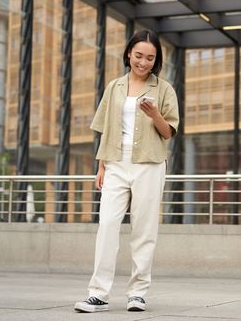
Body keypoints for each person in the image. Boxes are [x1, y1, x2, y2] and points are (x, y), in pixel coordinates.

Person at [74, 29, 179, 313]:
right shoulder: (115, 87)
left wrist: (154, 114)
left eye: (150, 58)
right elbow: (105, 129)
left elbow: (168, 133)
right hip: (116, 164)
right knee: (107, 226)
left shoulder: (164, 89)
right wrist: (101, 166)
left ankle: (138, 293)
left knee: (144, 230)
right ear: (128, 54)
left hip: (149, 165)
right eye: (138, 55)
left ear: (156, 60)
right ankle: (98, 293)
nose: (143, 62)